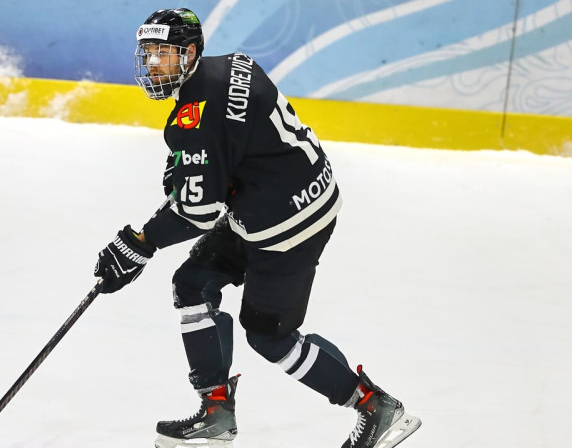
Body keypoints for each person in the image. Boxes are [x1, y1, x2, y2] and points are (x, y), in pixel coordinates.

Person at [93, 8, 421, 448]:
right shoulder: (232, 64)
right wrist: (206, 172)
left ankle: (375, 407)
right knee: (192, 284)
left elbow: (199, 211)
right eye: (149, 53)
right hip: (288, 194)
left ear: (190, 54)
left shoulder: (197, 115)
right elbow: (234, 143)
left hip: (289, 225)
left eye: (164, 54)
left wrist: (140, 243)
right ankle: (216, 413)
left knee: (271, 337)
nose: (153, 65)